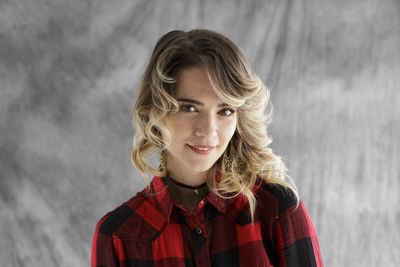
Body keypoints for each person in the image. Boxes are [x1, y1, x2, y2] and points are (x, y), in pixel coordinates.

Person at [91, 29, 323, 267]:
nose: (209, 130)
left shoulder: (277, 211)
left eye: (225, 111)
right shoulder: (118, 236)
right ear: (155, 112)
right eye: (189, 109)